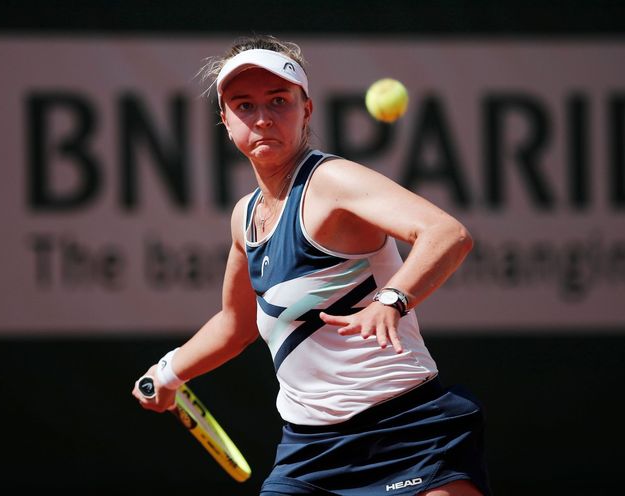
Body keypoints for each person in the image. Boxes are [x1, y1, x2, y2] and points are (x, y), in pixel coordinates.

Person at [132, 35, 491, 496]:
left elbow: (447, 234)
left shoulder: (333, 182)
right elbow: (236, 323)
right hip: (308, 453)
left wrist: (391, 300)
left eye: (279, 101)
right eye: (244, 106)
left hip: (406, 432)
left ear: (307, 110)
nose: (262, 118)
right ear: (225, 121)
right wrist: (167, 372)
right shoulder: (245, 217)